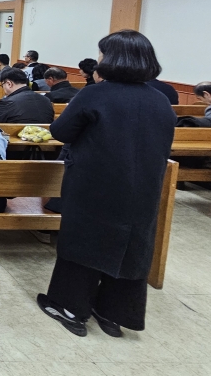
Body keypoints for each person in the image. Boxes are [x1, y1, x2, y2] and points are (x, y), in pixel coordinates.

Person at [38, 30, 176, 338]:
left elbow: (61, 131)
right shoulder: (159, 100)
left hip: (95, 182)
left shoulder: (95, 94)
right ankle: (114, 313)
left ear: (111, 58)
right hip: (145, 185)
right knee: (131, 245)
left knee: (84, 242)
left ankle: (70, 307)